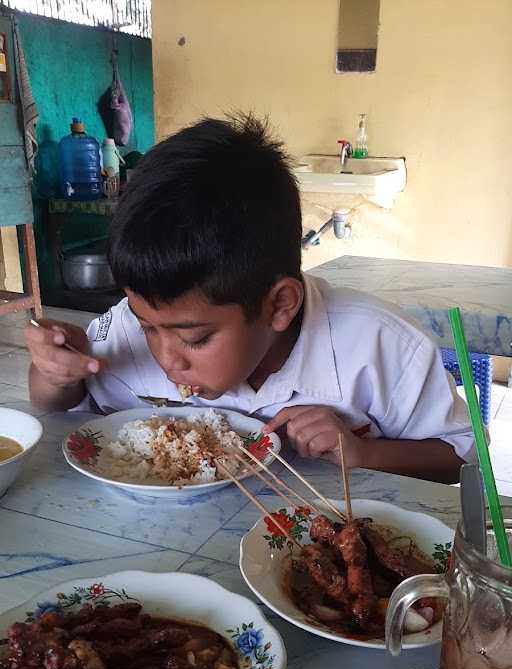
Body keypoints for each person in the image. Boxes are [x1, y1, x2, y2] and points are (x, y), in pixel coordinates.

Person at [25, 114, 475, 483]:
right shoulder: (128, 325)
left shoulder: (379, 346)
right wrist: (56, 373)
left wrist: (362, 452)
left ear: (279, 305)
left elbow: (459, 460)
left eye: (196, 339)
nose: (166, 360)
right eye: (148, 328)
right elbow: (61, 410)